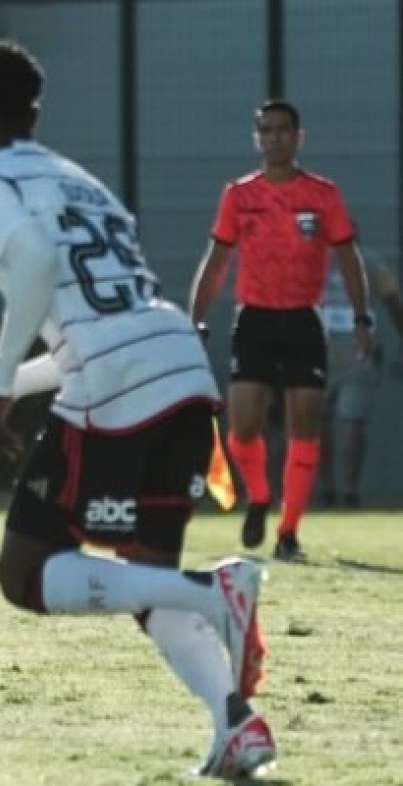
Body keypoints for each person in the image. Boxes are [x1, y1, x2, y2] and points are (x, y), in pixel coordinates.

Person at [0, 40, 275, 778]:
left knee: (24, 573)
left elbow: (35, 265)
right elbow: (89, 314)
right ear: (33, 112)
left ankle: (213, 591)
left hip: (117, 390)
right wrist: (7, 384)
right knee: (144, 577)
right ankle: (234, 726)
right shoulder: (83, 182)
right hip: (180, 369)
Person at [190, 99, 374, 561]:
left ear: (298, 138)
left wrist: (361, 316)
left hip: (301, 321)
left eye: (283, 130)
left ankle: (288, 533)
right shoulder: (239, 195)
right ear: (257, 138)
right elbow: (216, 260)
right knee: (243, 428)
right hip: (254, 319)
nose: (275, 138)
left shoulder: (323, 194)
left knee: (304, 428)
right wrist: (194, 316)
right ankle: (258, 495)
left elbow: (349, 258)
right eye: (266, 130)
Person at [317, 254, 403, 508]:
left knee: (326, 422)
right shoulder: (373, 266)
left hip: (322, 353)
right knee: (349, 422)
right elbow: (394, 305)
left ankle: (328, 490)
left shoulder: (313, 263)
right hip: (356, 352)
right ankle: (348, 491)